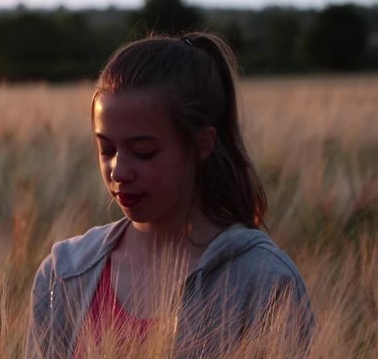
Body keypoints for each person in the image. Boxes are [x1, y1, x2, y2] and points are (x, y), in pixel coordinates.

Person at [25, 32, 314, 359]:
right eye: (106, 149)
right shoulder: (63, 275)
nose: (118, 171)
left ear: (203, 144)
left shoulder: (262, 281)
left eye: (144, 152)